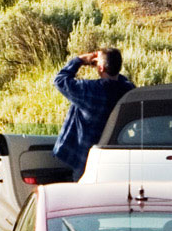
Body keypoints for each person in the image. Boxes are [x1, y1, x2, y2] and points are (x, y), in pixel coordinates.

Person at [50, 45, 130, 178]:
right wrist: (108, 66)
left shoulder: (90, 89)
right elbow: (120, 79)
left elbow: (60, 80)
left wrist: (79, 60)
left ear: (101, 68)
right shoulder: (127, 91)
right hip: (111, 157)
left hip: (84, 157)